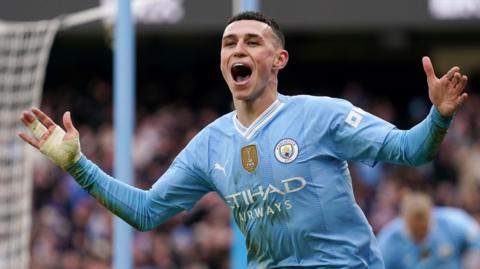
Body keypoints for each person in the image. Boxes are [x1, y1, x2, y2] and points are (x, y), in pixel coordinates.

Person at [19, 11, 469, 269]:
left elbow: (412, 151)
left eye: (253, 42)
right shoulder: (209, 144)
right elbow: (146, 211)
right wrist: (77, 164)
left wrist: (438, 116)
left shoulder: (321, 114)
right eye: (229, 42)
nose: (239, 50)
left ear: (279, 60)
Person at [377, 191, 480, 269]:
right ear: (404, 222)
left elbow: (476, 239)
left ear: (432, 217)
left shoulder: (453, 223)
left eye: (424, 229)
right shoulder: (388, 241)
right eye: (416, 231)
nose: (421, 234)